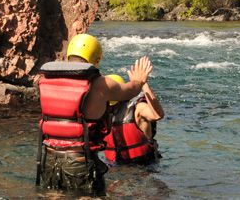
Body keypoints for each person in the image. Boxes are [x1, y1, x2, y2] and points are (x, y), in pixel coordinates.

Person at [36, 33, 153, 195]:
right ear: (97, 58)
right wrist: (139, 81)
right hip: (79, 162)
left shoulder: (45, 81)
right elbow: (129, 92)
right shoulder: (100, 84)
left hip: (48, 159)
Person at [103, 74, 164, 165]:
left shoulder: (138, 108)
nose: (111, 106)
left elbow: (157, 115)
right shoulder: (102, 110)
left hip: (143, 165)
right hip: (113, 165)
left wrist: (144, 85)